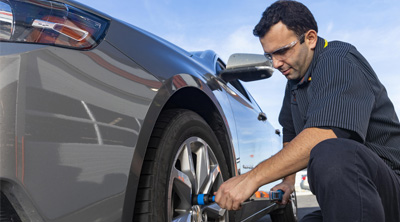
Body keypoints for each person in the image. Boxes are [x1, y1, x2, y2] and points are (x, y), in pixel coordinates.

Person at [214, 1, 400, 221]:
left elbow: (325, 134)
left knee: (331, 151)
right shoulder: (294, 82)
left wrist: (251, 179)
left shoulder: (338, 60)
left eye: (282, 51)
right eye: (269, 56)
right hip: (358, 196)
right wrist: (288, 181)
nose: (275, 64)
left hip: (389, 189)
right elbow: (291, 135)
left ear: (310, 38)